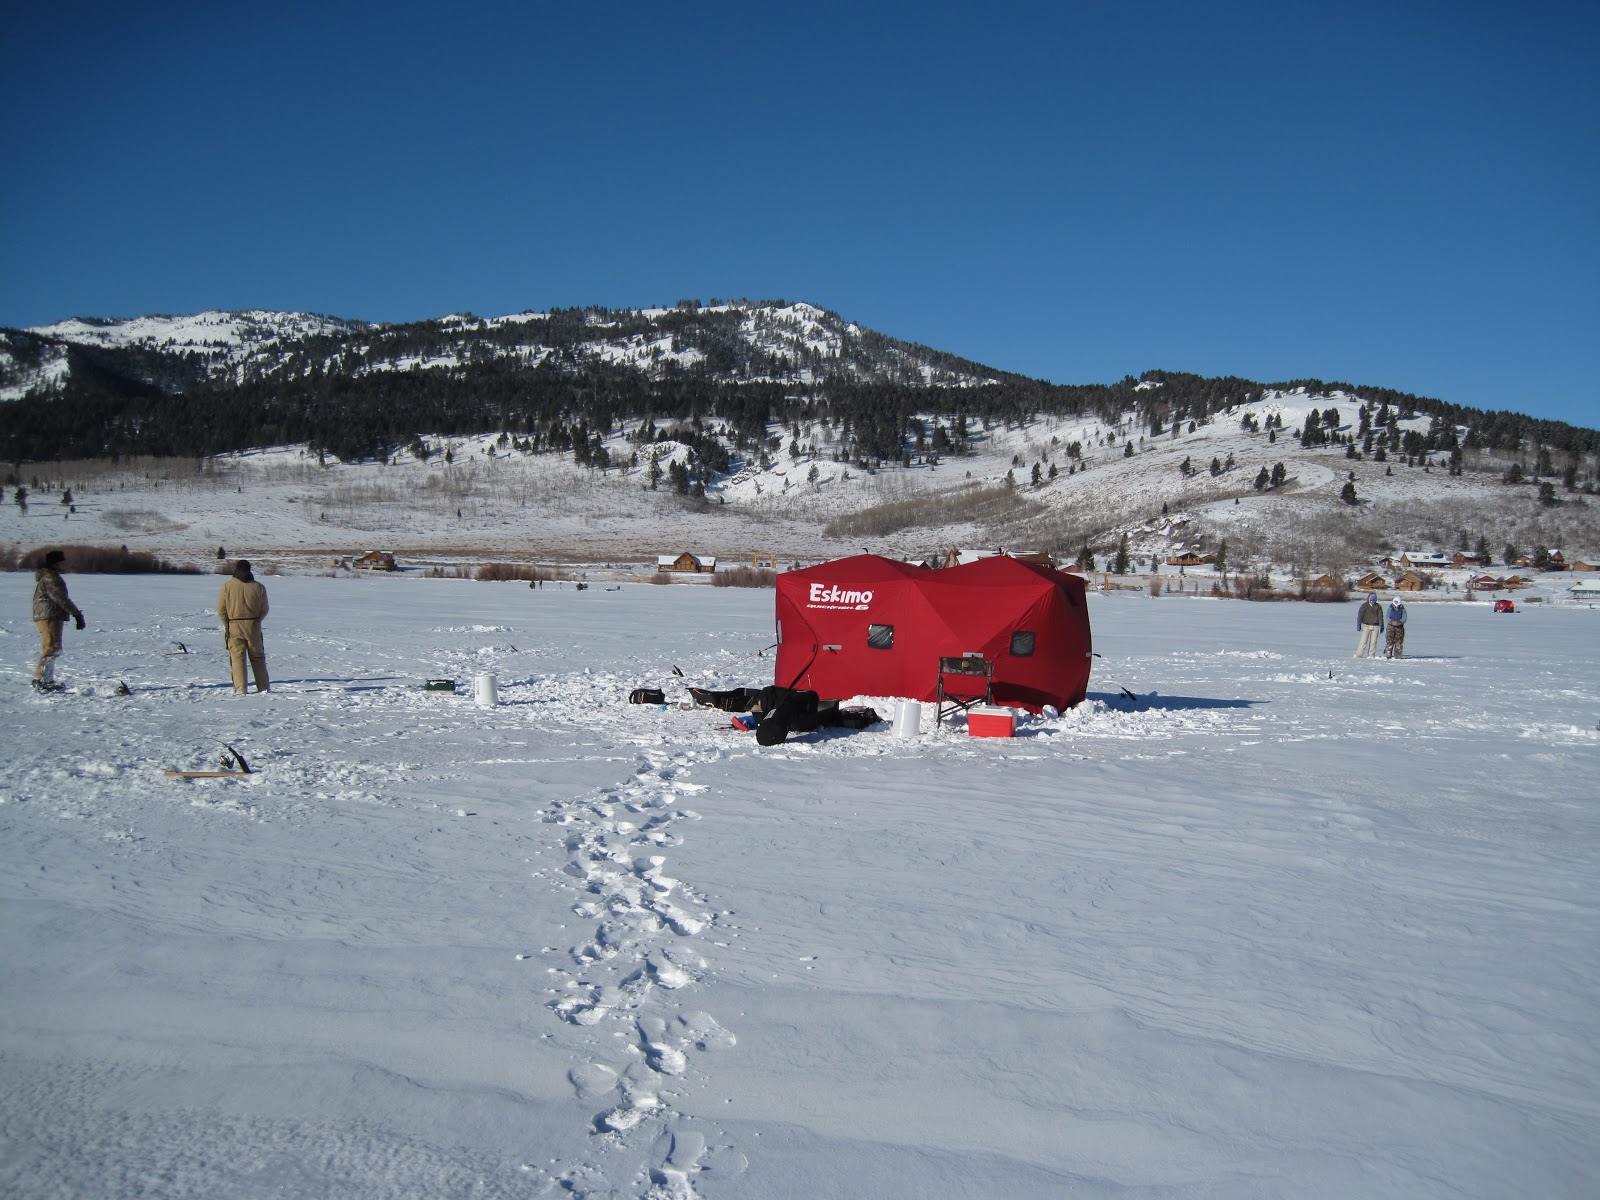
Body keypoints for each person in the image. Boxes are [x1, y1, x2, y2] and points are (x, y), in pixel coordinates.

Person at [32, 549, 85, 692]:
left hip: (52, 614)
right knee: (51, 647)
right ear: (55, 563)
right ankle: (40, 680)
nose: (64, 565)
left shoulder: (51, 576)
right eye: (61, 562)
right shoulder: (50, 577)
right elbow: (60, 598)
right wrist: (76, 614)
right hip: (48, 615)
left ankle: (46, 680)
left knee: (54, 647)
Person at [217, 559, 270, 694]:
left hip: (234, 625)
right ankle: (264, 688)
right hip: (253, 626)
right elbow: (264, 609)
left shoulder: (227, 587)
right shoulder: (259, 587)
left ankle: (241, 689)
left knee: (237, 658)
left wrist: (228, 624)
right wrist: (256, 621)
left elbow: (221, 610)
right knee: (258, 658)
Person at [1355, 591, 1384, 658]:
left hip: (1375, 626)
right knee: (1363, 641)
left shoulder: (1378, 606)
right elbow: (1360, 616)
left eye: (1373, 600)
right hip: (1366, 625)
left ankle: (1371, 654)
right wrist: (1359, 624)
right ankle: (1359, 654)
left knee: (1373, 642)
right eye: (1371, 600)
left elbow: (1380, 616)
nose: (1372, 601)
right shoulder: (1364, 606)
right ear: (1368, 599)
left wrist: (1381, 625)